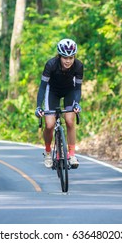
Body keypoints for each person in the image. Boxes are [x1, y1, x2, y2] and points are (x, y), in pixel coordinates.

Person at [35, 38, 83, 169]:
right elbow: (43, 87)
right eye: (64, 58)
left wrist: (77, 104)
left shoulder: (78, 66)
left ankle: (72, 154)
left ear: (74, 57)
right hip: (52, 92)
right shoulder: (51, 65)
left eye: (71, 57)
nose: (68, 61)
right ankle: (48, 152)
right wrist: (39, 106)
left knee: (69, 120)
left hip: (69, 91)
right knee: (49, 124)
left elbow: (78, 88)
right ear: (59, 56)